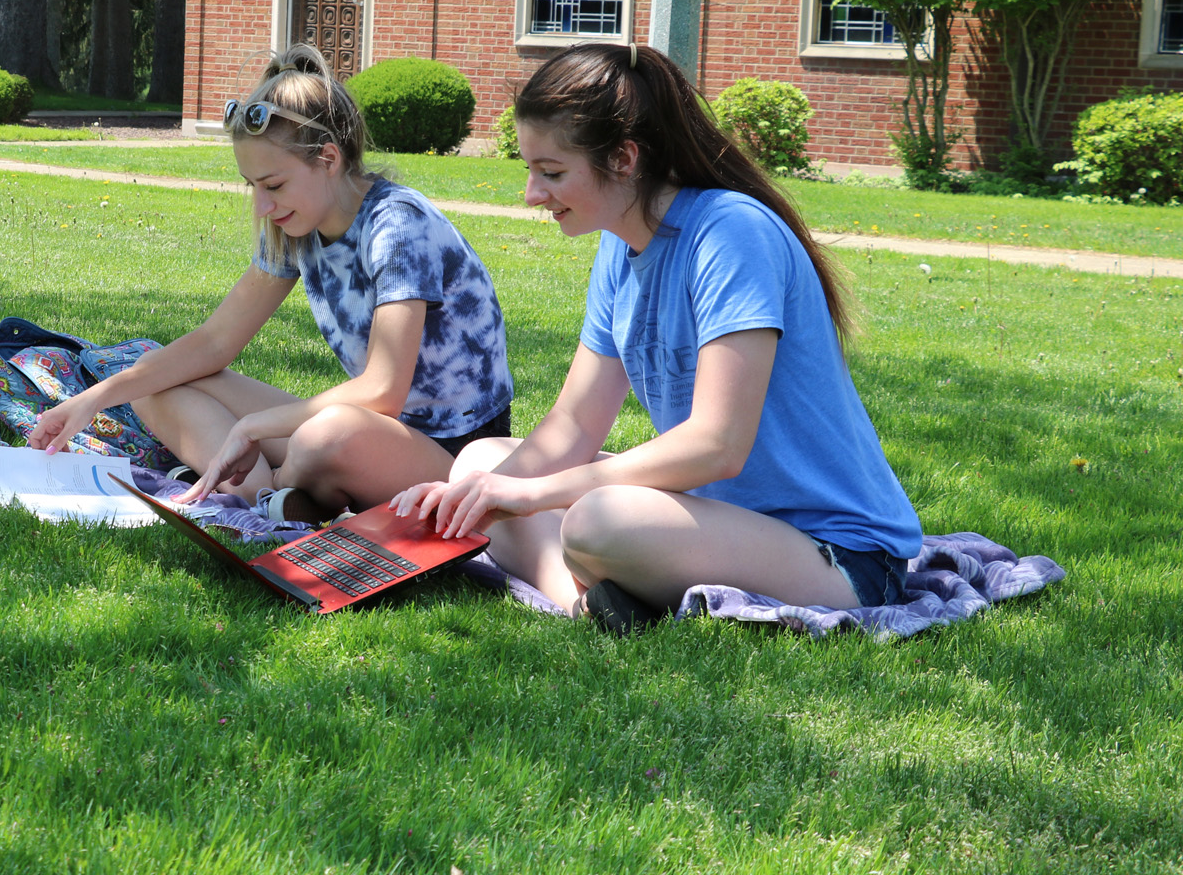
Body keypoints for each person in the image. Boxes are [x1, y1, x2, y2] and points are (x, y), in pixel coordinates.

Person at [391, 43, 923, 631]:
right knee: (479, 462)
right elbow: (572, 427)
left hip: (837, 555)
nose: (532, 195)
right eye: (530, 170)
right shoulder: (619, 248)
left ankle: (603, 580)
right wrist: (476, 495)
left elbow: (716, 445)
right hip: (717, 519)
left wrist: (533, 497)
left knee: (595, 521)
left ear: (624, 158)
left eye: (552, 172)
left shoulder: (730, 233)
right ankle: (587, 605)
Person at [28, 46, 515, 521]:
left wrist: (254, 426)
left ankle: (281, 487)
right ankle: (272, 499)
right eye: (253, 186)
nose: (263, 206)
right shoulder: (296, 226)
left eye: (274, 185)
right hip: (374, 431)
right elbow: (215, 341)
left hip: (453, 454)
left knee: (323, 436)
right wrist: (91, 400)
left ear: (328, 158)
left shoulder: (397, 225)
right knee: (155, 380)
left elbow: (383, 390)